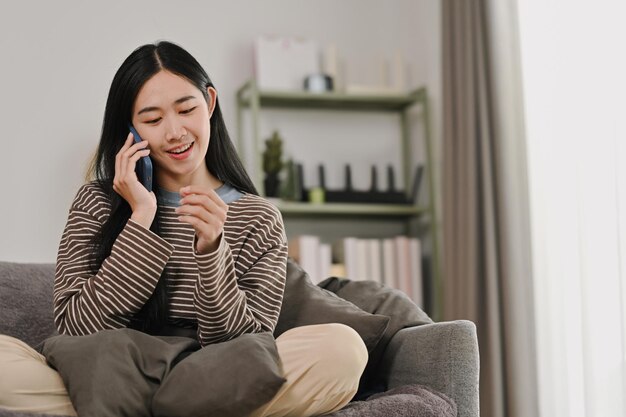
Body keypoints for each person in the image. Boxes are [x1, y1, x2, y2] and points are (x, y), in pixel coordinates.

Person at [0, 41, 367, 416]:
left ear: (209, 103)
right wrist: (140, 218)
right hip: (112, 371)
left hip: (214, 376)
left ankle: (144, 409)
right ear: (129, 129)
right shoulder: (97, 201)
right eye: (153, 119)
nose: (174, 132)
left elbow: (248, 346)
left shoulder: (259, 218)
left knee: (341, 349)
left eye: (186, 109)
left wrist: (212, 251)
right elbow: (77, 331)